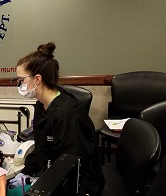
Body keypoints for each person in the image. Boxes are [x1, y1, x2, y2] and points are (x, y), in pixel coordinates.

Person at [8, 42, 104, 195]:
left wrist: (41, 186)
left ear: (37, 79)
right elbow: (42, 146)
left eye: (21, 80)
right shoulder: (42, 104)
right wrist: (26, 171)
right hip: (53, 171)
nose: (19, 85)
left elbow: (70, 165)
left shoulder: (66, 114)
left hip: (79, 184)